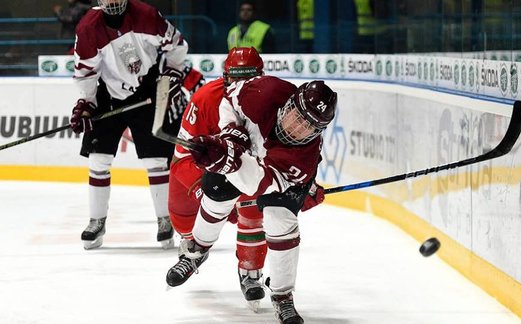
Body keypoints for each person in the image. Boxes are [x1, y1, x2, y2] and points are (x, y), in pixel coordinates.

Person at [167, 77, 336, 324]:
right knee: (215, 187)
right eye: (298, 118)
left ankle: (282, 296)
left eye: (308, 127)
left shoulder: (303, 158)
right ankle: (197, 250)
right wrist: (232, 136)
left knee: (280, 219)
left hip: (277, 176)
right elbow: (229, 101)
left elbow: (258, 186)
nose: (297, 129)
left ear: (318, 132)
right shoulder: (264, 91)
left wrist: (227, 160)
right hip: (251, 156)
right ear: (289, 105)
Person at [70, 0, 195, 250]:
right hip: (107, 93)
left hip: (146, 88)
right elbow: (86, 72)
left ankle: (164, 220)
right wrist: (86, 102)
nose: (114, 2)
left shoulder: (146, 15)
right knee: (98, 159)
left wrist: (172, 73)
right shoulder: (88, 28)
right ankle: (97, 220)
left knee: (156, 160)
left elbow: (177, 45)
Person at [166, 47, 270, 311]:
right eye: (236, 78)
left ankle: (250, 270)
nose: (241, 85)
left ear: (260, 77)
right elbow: (180, 160)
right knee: (181, 208)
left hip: (248, 173)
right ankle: (192, 251)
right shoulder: (204, 100)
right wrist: (205, 192)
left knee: (251, 208)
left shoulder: (272, 102)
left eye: (248, 78)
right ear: (225, 78)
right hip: (206, 172)